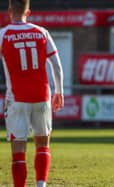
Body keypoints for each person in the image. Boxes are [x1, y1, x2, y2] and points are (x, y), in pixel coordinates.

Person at [0, 0, 64, 187]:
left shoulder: (3, 34)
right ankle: (41, 185)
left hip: (17, 98)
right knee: (43, 145)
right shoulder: (41, 32)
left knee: (18, 149)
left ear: (9, 11)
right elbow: (57, 66)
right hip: (42, 96)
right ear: (28, 12)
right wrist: (59, 91)